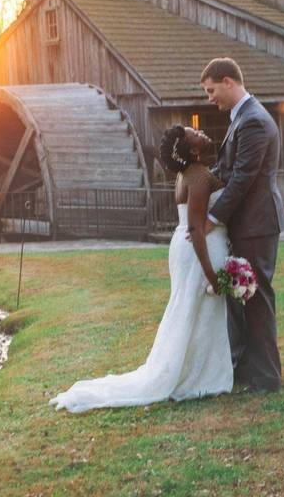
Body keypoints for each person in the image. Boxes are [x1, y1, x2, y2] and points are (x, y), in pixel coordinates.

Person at [49, 126, 232, 412]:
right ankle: (196, 379)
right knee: (196, 311)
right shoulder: (197, 176)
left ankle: (202, 374)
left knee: (192, 313)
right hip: (198, 252)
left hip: (189, 249)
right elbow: (196, 229)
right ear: (192, 149)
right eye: (193, 132)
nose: (201, 131)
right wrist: (211, 275)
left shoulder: (190, 173)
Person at [200, 57, 284, 393]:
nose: (210, 98)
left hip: (257, 223)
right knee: (243, 296)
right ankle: (247, 368)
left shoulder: (253, 121)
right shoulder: (243, 118)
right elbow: (225, 171)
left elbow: (242, 179)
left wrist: (211, 218)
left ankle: (266, 377)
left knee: (257, 296)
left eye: (211, 90)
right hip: (248, 224)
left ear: (228, 81)